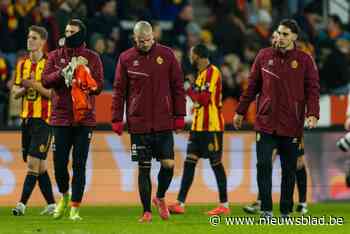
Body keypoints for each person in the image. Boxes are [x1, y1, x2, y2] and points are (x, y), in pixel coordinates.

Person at [233, 19, 320, 218]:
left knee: (289, 170)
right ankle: (265, 208)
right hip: (265, 122)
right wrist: (240, 111)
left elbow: (313, 90)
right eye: (279, 33)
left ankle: (285, 211)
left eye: (285, 34)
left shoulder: (305, 60)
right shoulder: (263, 56)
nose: (280, 37)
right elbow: (252, 86)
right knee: (263, 165)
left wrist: (313, 114)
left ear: (295, 37)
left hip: (291, 123)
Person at [111, 21, 186, 223]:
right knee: (143, 168)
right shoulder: (126, 58)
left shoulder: (167, 55)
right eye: (141, 41)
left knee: (169, 165)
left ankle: (160, 196)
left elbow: (178, 86)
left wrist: (180, 115)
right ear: (135, 39)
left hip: (163, 122)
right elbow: (119, 91)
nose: (145, 43)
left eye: (148, 40)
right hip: (139, 124)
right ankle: (146, 211)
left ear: (153, 36)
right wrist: (117, 118)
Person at [42, 19, 104, 221]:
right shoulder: (54, 55)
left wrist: (84, 74)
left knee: (79, 164)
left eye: (72, 32)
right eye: (66, 31)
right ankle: (65, 195)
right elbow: (45, 80)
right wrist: (64, 71)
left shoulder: (92, 58)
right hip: (60, 117)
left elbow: (99, 87)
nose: (68, 35)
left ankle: (75, 208)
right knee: (59, 164)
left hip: (84, 119)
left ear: (81, 34)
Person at [168, 44, 229, 216]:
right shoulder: (201, 75)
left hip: (212, 127)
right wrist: (192, 90)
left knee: (216, 164)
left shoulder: (212, 72)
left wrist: (189, 88)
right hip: (197, 127)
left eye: (191, 54)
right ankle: (180, 203)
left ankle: (224, 205)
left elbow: (202, 99)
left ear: (198, 56)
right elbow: (197, 98)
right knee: (189, 163)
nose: (190, 57)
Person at [11, 25, 56, 216]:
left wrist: (33, 85)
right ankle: (53, 205)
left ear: (43, 42)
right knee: (40, 166)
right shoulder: (22, 64)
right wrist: (24, 88)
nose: (30, 40)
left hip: (44, 121)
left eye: (34, 38)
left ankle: (21, 204)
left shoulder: (50, 65)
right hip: (27, 120)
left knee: (32, 164)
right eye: (29, 37)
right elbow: (15, 92)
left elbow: (53, 94)